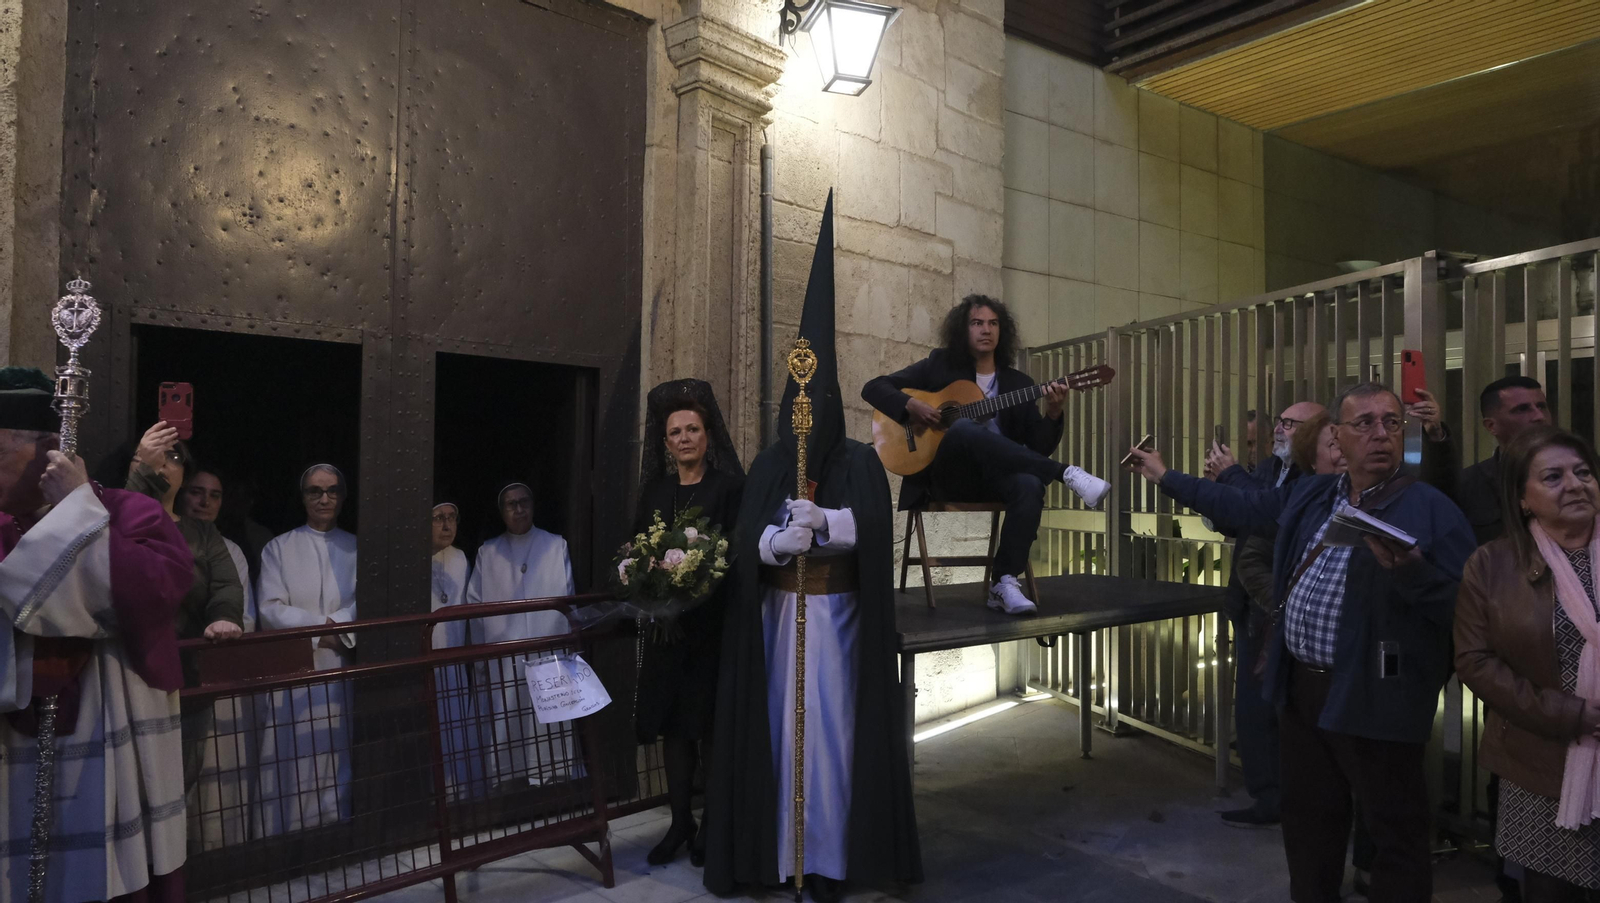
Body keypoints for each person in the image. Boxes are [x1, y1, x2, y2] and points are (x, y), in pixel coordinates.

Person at [1125, 381, 1475, 903]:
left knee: (1393, 831)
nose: (1381, 434)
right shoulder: (1314, 494)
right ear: (1337, 436)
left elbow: (1468, 611)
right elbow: (1243, 507)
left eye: (1392, 423)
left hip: (1375, 694)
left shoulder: (1429, 509)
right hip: (1303, 691)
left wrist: (1415, 575)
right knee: (1310, 823)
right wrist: (1165, 476)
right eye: (1365, 424)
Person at [704, 193, 920, 903]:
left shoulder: (858, 459)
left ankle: (827, 859)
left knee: (832, 745)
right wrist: (774, 540)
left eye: (818, 393)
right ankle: (777, 857)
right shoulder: (770, 462)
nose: (809, 409)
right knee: (780, 741)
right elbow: (744, 540)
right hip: (778, 624)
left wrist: (827, 522)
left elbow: (877, 529)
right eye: (800, 394)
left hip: (841, 625)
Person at [0, 367, 194, 902]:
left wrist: (77, 508)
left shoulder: (127, 511)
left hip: (107, 747)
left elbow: (157, 590)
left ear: (47, 453)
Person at [861, 294, 1109, 616]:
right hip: (947, 477)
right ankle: (1066, 473)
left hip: (994, 479)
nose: (986, 330)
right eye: (977, 323)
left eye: (993, 323)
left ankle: (1003, 582)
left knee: (1030, 484)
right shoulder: (939, 366)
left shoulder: (1019, 384)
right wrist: (909, 406)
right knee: (963, 428)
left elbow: (1036, 448)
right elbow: (874, 387)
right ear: (963, 330)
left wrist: (1053, 413)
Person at [1456, 426, 1600, 902]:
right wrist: (1571, 715)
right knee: (1551, 890)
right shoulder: (1493, 565)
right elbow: (1475, 661)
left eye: (1583, 473)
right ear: (1522, 499)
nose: (1575, 484)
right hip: (1539, 761)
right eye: (1554, 477)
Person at [634, 379, 744, 866]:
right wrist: (650, 583)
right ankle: (681, 823)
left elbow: (737, 554)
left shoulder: (729, 488)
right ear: (665, 442)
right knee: (675, 731)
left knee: (710, 731)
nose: (684, 438)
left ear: (707, 436)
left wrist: (696, 585)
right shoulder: (655, 491)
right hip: (666, 633)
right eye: (675, 431)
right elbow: (638, 550)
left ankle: (713, 825)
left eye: (693, 429)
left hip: (710, 631)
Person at [1202, 400, 1325, 829]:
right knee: (1253, 709)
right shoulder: (1272, 470)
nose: (1280, 431)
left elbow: (1269, 515)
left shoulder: (1319, 479)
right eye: (1282, 423)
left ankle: (1300, 799)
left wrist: (1231, 481)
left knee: (1292, 712)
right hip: (1254, 607)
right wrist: (1215, 496)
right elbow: (1239, 521)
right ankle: (1267, 796)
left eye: (1291, 425)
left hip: (1300, 613)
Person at [123, 422, 246, 793]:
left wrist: (225, 616)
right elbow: (113, 542)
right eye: (152, 457)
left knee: (178, 783)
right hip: (129, 673)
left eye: (173, 457)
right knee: (130, 785)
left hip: (187, 677)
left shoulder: (201, 533)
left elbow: (225, 584)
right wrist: (139, 471)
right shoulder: (121, 515)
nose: (163, 463)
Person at [255, 464, 358, 833]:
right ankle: (287, 837)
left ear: (343, 498)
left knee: (336, 750)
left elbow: (366, 601)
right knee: (291, 755)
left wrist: (332, 630)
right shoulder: (278, 548)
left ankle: (337, 829)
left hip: (340, 666)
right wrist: (324, 632)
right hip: (294, 670)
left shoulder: (357, 547)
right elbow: (270, 609)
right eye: (315, 491)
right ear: (303, 497)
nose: (324, 498)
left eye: (332, 491)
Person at [464, 481, 577, 787]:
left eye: (523, 502)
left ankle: (554, 778)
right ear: (502, 512)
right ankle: (508, 782)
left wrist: (567, 647)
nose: (518, 509)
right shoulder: (489, 552)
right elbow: (474, 607)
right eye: (511, 504)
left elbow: (568, 598)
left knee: (547, 725)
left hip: (547, 651)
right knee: (507, 721)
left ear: (533, 505)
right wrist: (482, 657)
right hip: (505, 655)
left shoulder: (555, 545)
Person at [1419, 376, 1550, 546]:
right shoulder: (1471, 485)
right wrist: (1435, 434)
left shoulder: (1581, 473)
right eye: (1522, 409)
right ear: (1491, 426)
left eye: (1542, 406)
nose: (1539, 416)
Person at [430, 499, 487, 800]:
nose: (446, 524)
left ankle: (457, 797)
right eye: (438, 517)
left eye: (452, 517)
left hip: (452, 663)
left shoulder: (461, 558)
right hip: (424, 662)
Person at [181, 469, 257, 628]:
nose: (205, 502)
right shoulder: (163, 538)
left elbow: (245, 617)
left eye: (214, 496)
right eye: (196, 492)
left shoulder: (232, 550)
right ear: (181, 494)